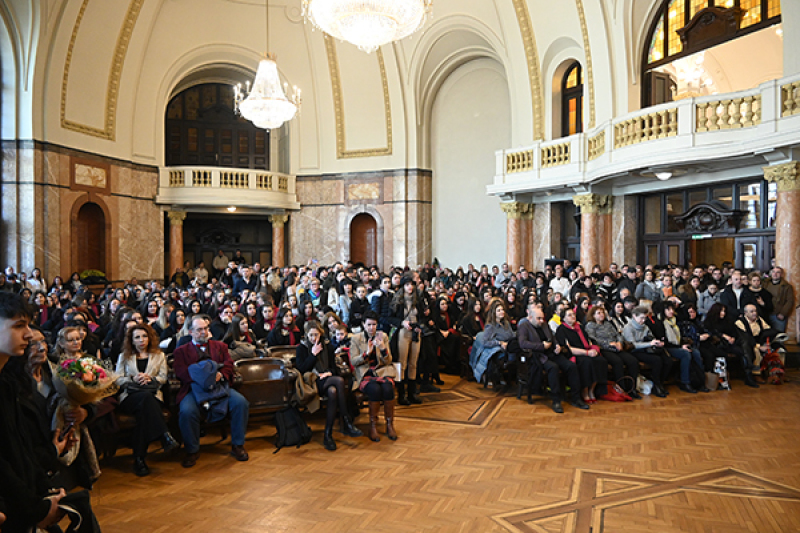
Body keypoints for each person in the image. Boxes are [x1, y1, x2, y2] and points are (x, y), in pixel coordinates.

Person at [0, 292, 101, 532]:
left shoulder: (7, 381)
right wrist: (36, 509)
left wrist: (44, 489)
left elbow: (18, 447)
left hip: (29, 489)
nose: (28, 334)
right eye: (18, 326)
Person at [172, 314, 250, 468]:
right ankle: (192, 450)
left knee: (241, 403)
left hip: (219, 387)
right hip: (193, 388)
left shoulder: (220, 347)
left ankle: (238, 445)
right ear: (190, 332)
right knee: (187, 411)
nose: (204, 332)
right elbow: (181, 372)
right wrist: (204, 378)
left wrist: (221, 374)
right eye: (199, 329)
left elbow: (228, 364)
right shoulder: (181, 351)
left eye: (206, 328)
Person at [116, 323, 178, 476]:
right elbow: (117, 379)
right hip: (130, 396)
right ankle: (164, 434)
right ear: (132, 340)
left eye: (144, 336)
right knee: (145, 400)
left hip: (152, 394)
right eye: (137, 337)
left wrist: (150, 378)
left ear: (149, 338)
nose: (141, 340)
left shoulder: (159, 355)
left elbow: (163, 378)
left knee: (144, 413)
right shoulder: (124, 356)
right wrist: (133, 378)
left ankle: (139, 459)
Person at [295, 320, 362, 451]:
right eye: (311, 335)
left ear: (320, 333)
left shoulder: (328, 346)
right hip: (312, 381)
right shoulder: (301, 348)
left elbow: (334, 368)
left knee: (332, 392)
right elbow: (301, 369)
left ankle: (328, 435)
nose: (313, 338)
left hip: (327, 379)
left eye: (316, 334)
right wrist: (313, 355)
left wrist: (328, 373)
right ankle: (346, 421)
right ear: (306, 335)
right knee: (339, 381)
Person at [517, 304, 587, 412]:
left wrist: (557, 345)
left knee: (571, 366)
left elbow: (552, 337)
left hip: (552, 353)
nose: (541, 321)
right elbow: (522, 343)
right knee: (553, 368)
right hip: (538, 356)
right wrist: (541, 346)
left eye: (542, 318)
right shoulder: (524, 326)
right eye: (538, 318)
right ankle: (556, 400)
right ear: (530, 317)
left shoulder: (544, 325)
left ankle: (576, 398)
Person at [350, 311, 397, 442]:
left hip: (381, 371)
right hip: (365, 373)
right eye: (369, 324)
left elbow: (388, 361)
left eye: (374, 324)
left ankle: (389, 424)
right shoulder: (356, 338)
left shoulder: (383, 336)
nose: (371, 328)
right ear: (363, 324)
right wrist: (366, 354)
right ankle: (373, 426)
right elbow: (353, 361)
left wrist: (383, 349)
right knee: (374, 389)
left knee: (388, 388)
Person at [585, 306, 641, 399]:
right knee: (617, 362)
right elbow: (593, 339)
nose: (602, 315)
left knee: (633, 361)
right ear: (593, 315)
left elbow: (618, 335)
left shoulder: (608, 324)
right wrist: (609, 344)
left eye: (602, 312)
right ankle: (621, 389)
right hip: (604, 349)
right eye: (599, 313)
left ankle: (632, 389)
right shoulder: (590, 325)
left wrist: (619, 342)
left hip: (616, 347)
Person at [555, 309, 606, 404]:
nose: (573, 316)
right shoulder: (561, 329)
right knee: (586, 362)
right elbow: (568, 349)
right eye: (569, 315)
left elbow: (588, 341)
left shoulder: (580, 327)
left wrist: (593, 350)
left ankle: (592, 390)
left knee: (600, 360)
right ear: (563, 318)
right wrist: (587, 353)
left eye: (573, 314)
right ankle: (585, 391)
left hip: (586, 351)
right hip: (574, 354)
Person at [388, 277, 425, 405]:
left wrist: (420, 326)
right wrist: (402, 322)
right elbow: (389, 318)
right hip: (403, 332)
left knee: (413, 363)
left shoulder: (417, 300)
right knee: (402, 363)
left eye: (412, 284)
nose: (410, 287)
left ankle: (412, 393)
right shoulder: (397, 300)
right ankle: (401, 394)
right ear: (403, 286)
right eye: (407, 284)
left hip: (415, 332)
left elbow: (422, 317)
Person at [622, 306, 672, 398]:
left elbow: (651, 337)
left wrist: (656, 343)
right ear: (634, 316)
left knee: (667, 360)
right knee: (657, 360)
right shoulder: (628, 327)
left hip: (646, 349)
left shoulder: (645, 327)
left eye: (645, 318)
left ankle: (660, 383)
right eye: (641, 318)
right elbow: (633, 345)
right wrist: (649, 343)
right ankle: (656, 385)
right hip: (634, 351)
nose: (643, 320)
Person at [765, 266, 794, 333]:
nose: (775, 274)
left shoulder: (787, 286)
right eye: (773, 272)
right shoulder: (765, 284)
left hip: (778, 315)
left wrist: (783, 313)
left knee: (779, 335)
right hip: (766, 314)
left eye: (778, 272)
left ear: (781, 274)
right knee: (766, 335)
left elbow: (790, 301)